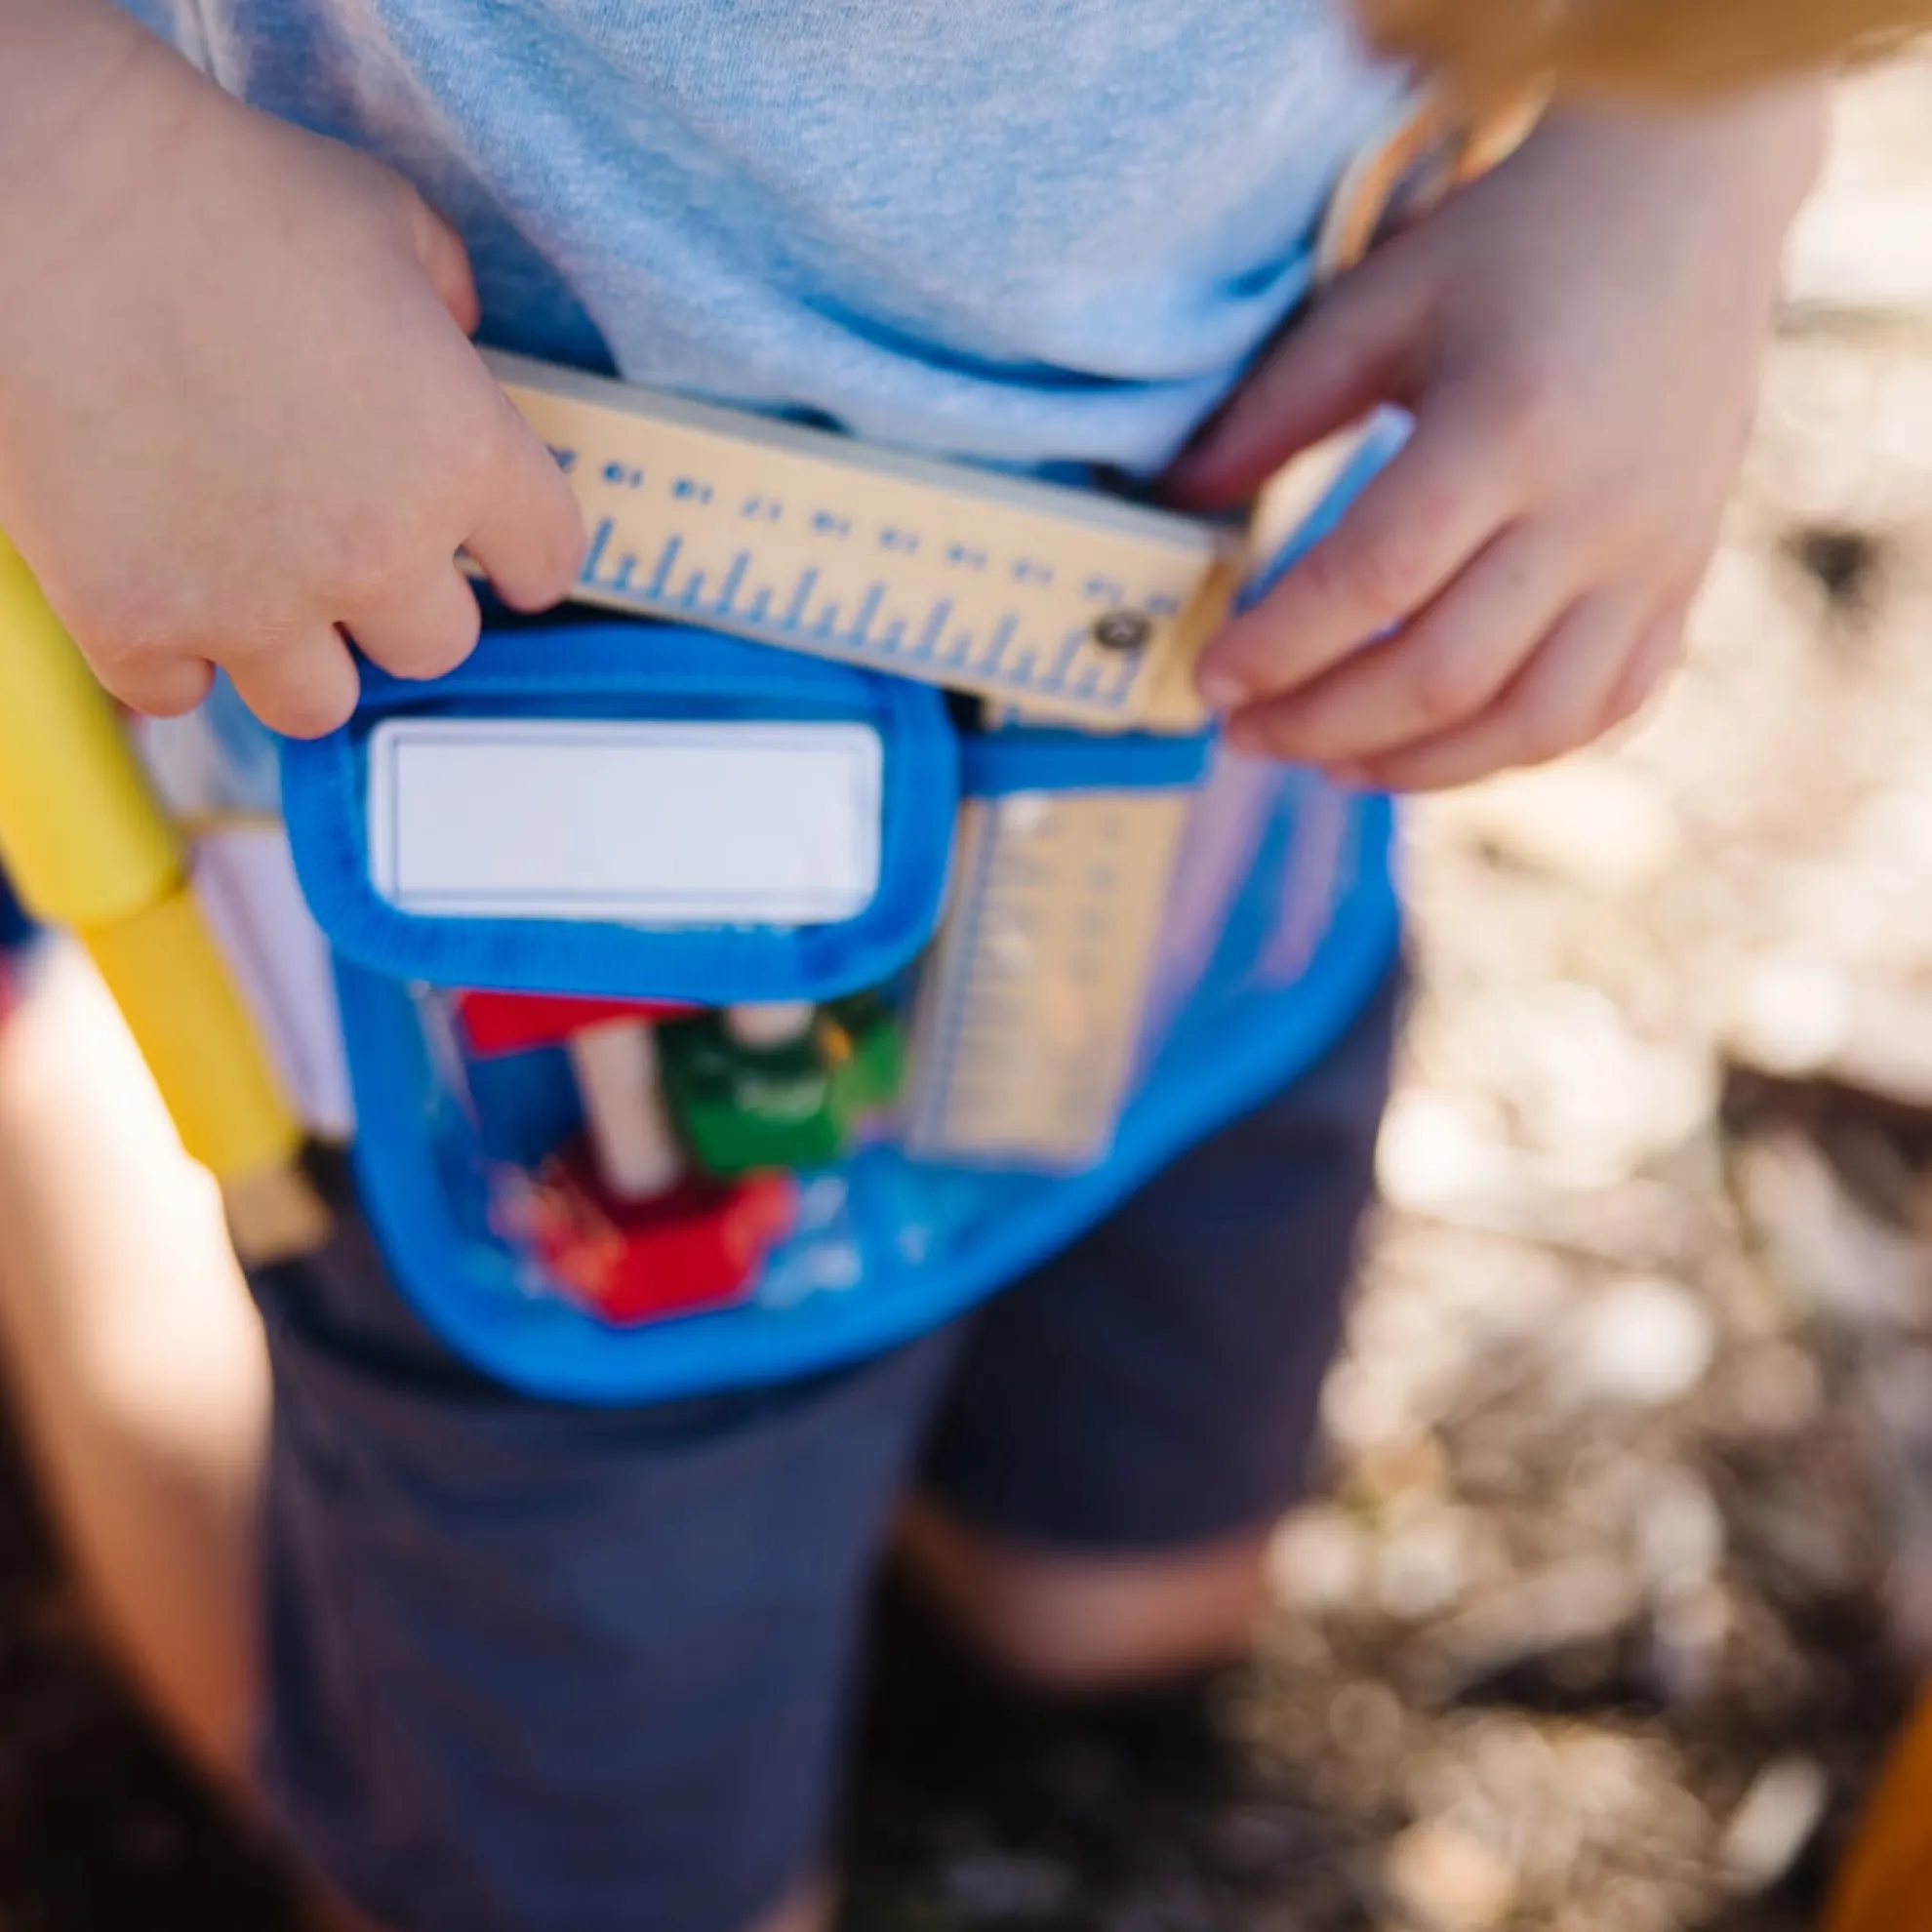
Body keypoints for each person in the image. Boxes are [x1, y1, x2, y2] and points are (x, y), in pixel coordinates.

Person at [0, 1, 1851, 1928]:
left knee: (1111, 1624)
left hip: (1204, 843)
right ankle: (68, 1065)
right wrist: (60, 170)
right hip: (527, 1006)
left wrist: (1693, 150)